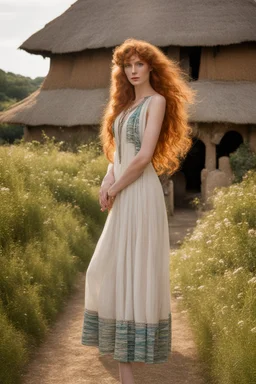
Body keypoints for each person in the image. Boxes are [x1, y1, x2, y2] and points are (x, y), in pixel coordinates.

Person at [81, 38, 195, 384]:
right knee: (105, 269)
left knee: (133, 273)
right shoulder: (125, 106)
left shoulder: (155, 102)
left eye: (138, 65)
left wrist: (115, 188)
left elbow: (144, 157)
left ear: (150, 68)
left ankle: (126, 372)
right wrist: (106, 182)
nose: (132, 71)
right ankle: (124, 365)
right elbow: (118, 155)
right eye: (126, 65)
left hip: (141, 194)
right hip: (122, 190)